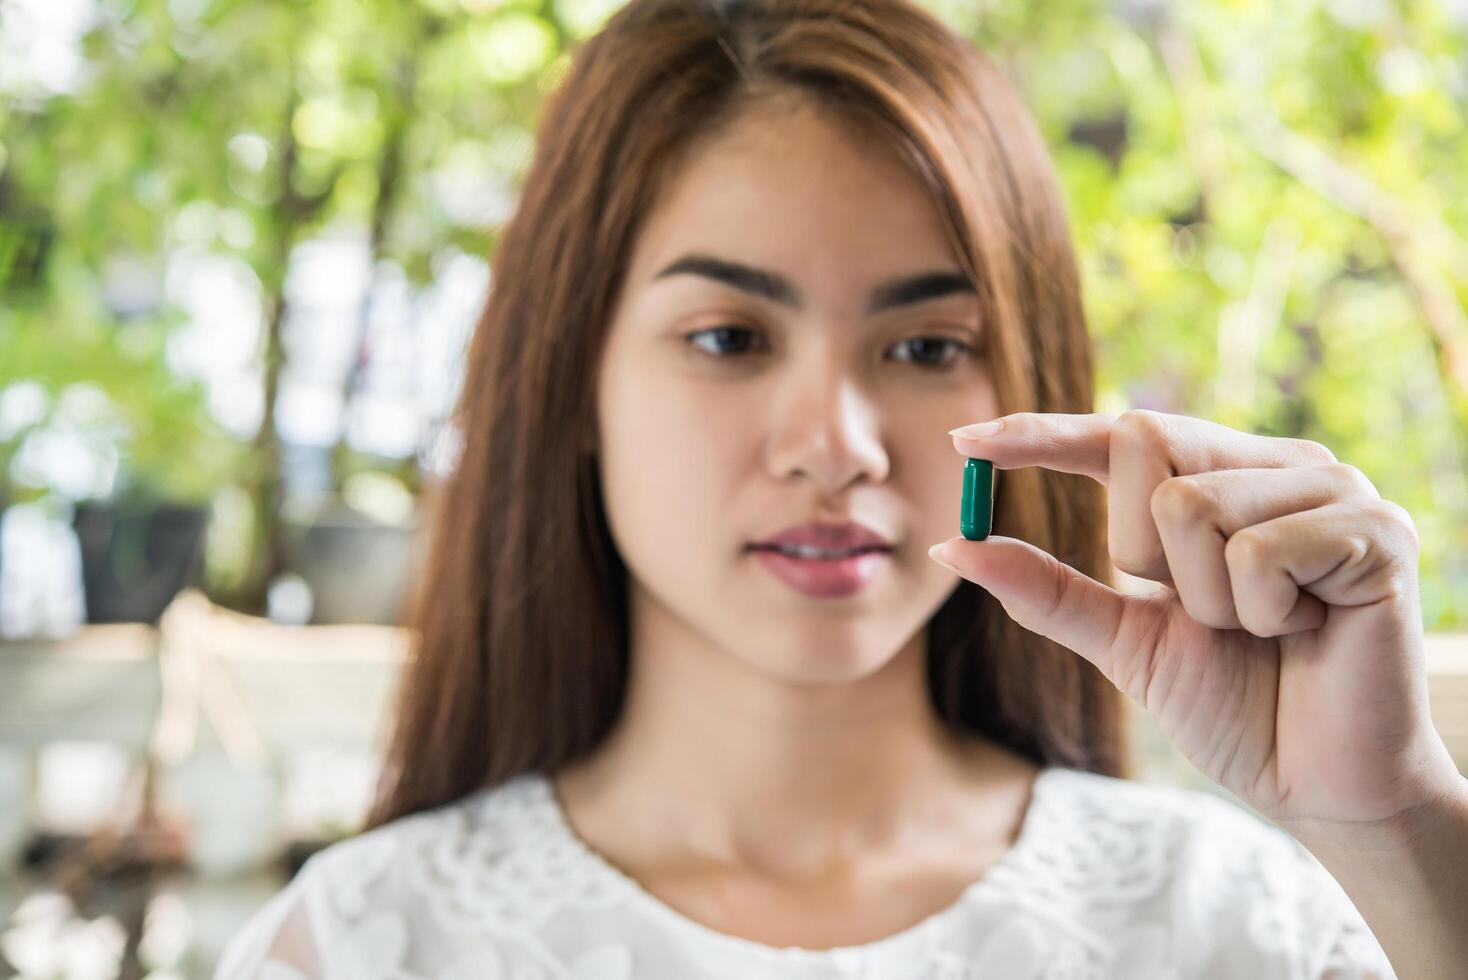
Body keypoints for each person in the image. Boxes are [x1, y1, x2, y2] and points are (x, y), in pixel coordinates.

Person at [214, 0, 1468, 976]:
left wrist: (1391, 819)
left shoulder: (1238, 920)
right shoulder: (361, 939)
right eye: (729, 337)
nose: (837, 445)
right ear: (572, 383)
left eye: (925, 347)